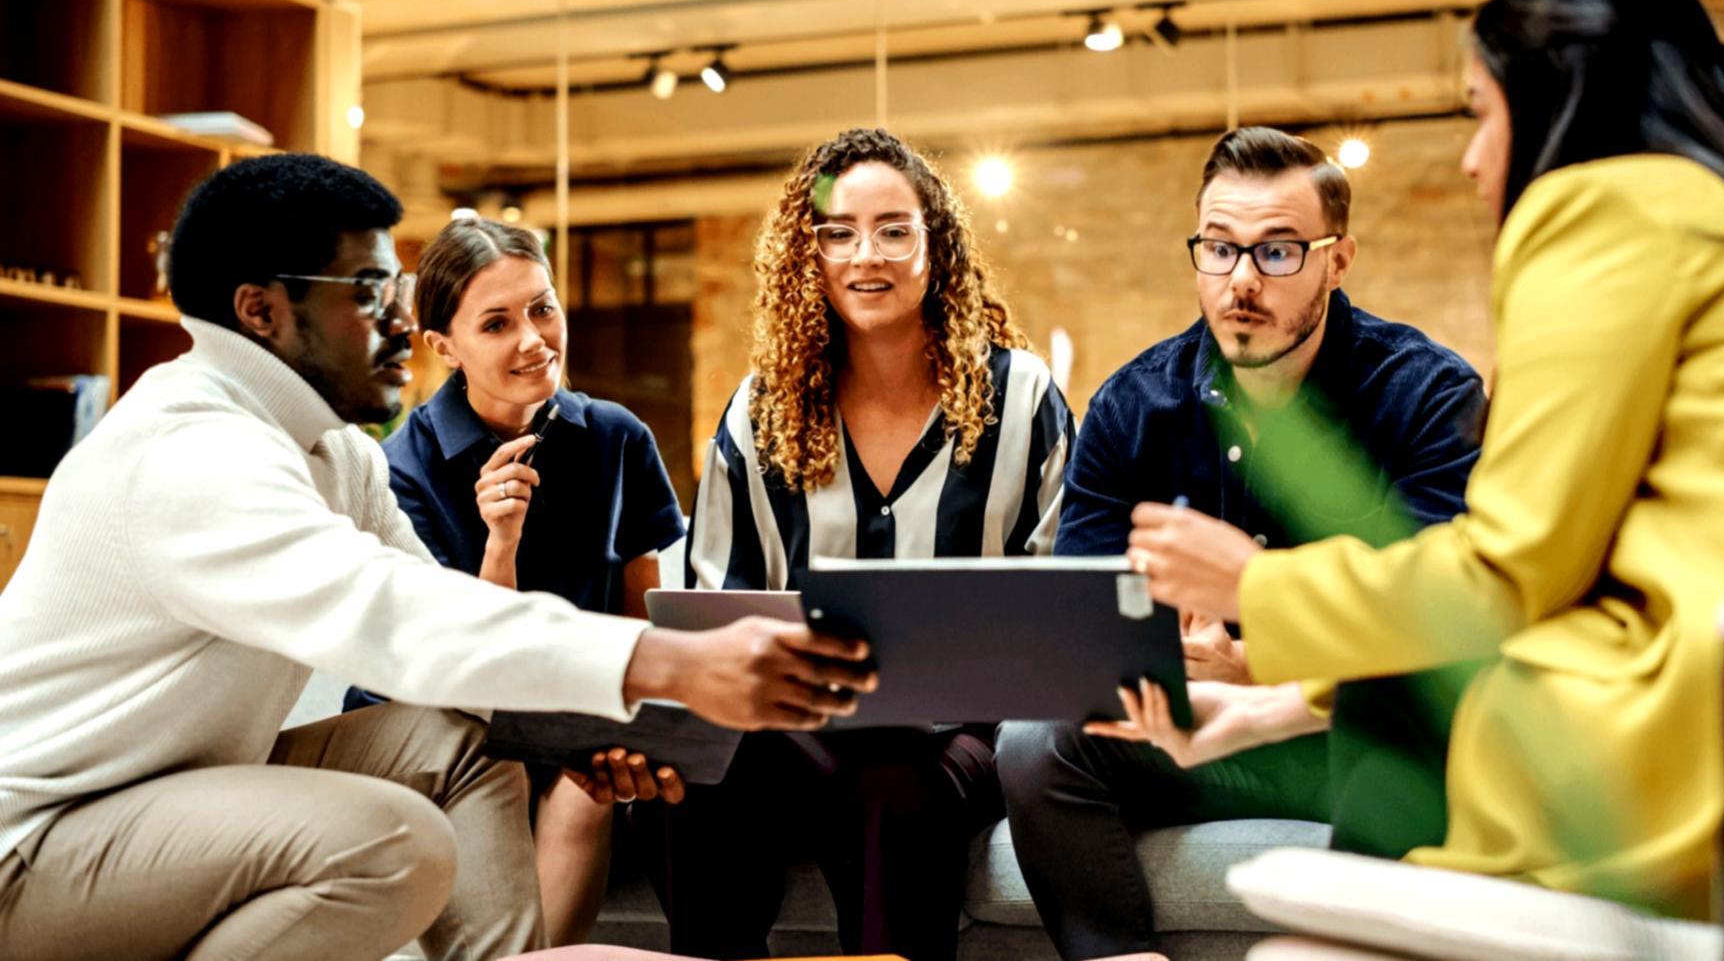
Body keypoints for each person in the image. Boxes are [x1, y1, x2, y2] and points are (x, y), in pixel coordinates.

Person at [0, 153, 877, 961]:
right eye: (370, 290)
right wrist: (674, 661)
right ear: (259, 309)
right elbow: (389, 612)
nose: (400, 318)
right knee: (390, 837)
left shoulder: (332, 450)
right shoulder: (192, 450)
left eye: (400, 285)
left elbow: (448, 628)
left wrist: (584, 737)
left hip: (180, 787)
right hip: (41, 837)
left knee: (457, 733)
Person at [1107, 0, 1724, 922]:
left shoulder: (1598, 209)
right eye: (1219, 250)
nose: (1472, 158)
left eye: (1480, 112)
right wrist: (1272, 707)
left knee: (1342, 871)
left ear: (1554, 92)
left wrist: (1252, 593)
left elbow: (1507, 573)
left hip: (1678, 733)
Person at [993, 126, 1489, 959]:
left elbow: (1441, 621)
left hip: (1350, 731)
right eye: (1218, 250)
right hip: (1189, 724)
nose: (1242, 283)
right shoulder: (1131, 405)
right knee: (1035, 739)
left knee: (1409, 732)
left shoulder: (1426, 395)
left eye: (1279, 252)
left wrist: (1264, 659)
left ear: (1339, 258)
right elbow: (1080, 624)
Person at [638, 127, 1074, 961]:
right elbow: (718, 612)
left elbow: (1061, 602)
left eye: (892, 229)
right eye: (836, 232)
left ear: (935, 243)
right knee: (699, 782)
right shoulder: (758, 412)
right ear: (809, 254)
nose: (863, 255)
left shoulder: (1021, 399)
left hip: (958, 733)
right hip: (800, 725)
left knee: (892, 785)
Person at [340, 217, 688, 946]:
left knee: (590, 783)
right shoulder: (400, 469)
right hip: (442, 722)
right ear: (443, 346)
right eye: (497, 322)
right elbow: (463, 666)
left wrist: (651, 724)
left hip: (566, 720)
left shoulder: (616, 437)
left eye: (542, 306)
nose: (533, 338)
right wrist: (501, 542)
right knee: (507, 762)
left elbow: (641, 626)